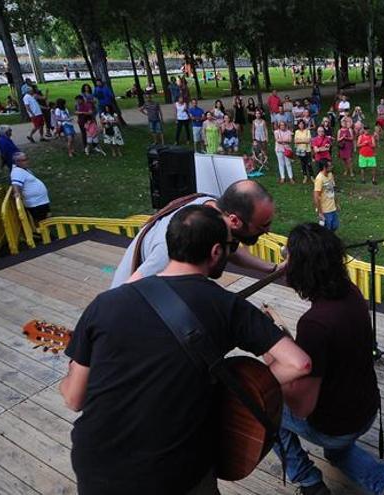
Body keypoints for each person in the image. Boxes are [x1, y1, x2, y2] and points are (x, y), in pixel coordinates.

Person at [61, 205, 311, 494]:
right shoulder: (227, 306)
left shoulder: (105, 303)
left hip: (98, 469)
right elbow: (298, 364)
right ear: (217, 252)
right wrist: (237, 393)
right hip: (175, 472)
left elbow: (73, 399)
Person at [274, 223, 384, 495]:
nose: (284, 262)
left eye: (287, 256)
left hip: (336, 426)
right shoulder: (350, 291)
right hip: (366, 409)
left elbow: (301, 407)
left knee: (264, 407)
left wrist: (273, 355)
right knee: (337, 452)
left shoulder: (315, 324)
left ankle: (309, 482)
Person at [111, 180, 283, 288]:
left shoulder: (215, 213)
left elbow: (229, 247)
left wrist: (271, 268)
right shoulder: (173, 248)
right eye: (262, 226)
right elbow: (127, 291)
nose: (267, 231)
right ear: (235, 220)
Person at [10, 152, 50, 225]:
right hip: (35, 203)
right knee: (41, 221)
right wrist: (17, 193)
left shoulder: (23, 169)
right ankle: (44, 234)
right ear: (17, 162)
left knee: (45, 218)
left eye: (27, 159)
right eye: (24, 160)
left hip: (39, 201)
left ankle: (45, 233)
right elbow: (15, 184)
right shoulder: (17, 172)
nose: (27, 161)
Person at [313, 159, 339, 231]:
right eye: (330, 166)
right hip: (325, 210)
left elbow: (333, 190)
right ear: (325, 167)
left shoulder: (330, 175)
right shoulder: (319, 179)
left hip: (332, 207)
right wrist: (320, 212)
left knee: (335, 226)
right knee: (327, 229)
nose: (332, 167)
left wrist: (336, 203)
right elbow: (316, 196)